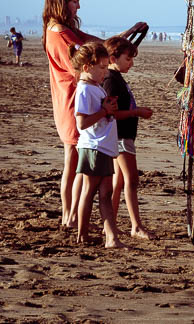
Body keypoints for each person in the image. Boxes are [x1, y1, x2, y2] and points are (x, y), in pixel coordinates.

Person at [42, 0, 147, 227]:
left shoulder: (63, 30)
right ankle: (71, 214)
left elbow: (96, 42)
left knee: (74, 157)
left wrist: (125, 34)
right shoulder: (60, 34)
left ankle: (72, 214)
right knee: (76, 158)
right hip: (74, 100)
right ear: (62, 2)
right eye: (75, 2)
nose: (78, 7)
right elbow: (86, 56)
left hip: (69, 98)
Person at [70, 42, 123, 247]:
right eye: (101, 68)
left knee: (104, 194)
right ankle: (83, 235)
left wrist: (107, 108)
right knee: (90, 191)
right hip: (95, 146)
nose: (105, 72)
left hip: (102, 146)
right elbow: (81, 122)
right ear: (86, 67)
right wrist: (104, 112)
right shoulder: (84, 89)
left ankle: (111, 237)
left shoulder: (94, 87)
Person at [103, 37, 154, 239]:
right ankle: (136, 226)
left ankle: (111, 224)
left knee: (119, 182)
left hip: (122, 136)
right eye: (128, 58)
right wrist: (136, 112)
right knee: (132, 180)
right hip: (121, 137)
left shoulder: (115, 78)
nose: (131, 63)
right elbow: (112, 114)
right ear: (113, 58)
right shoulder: (111, 81)